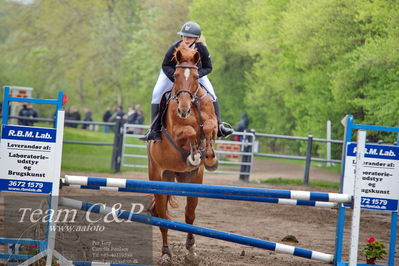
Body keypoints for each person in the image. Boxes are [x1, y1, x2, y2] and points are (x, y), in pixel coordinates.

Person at [140, 21, 233, 141]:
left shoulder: (202, 49)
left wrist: (194, 77)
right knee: (156, 94)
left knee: (212, 94)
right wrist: (177, 79)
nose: (186, 39)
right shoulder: (174, 47)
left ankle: (220, 126)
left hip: (195, 74)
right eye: (184, 36)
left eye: (189, 37)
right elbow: (165, 65)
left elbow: (209, 67)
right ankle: (154, 130)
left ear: (196, 38)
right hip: (173, 74)